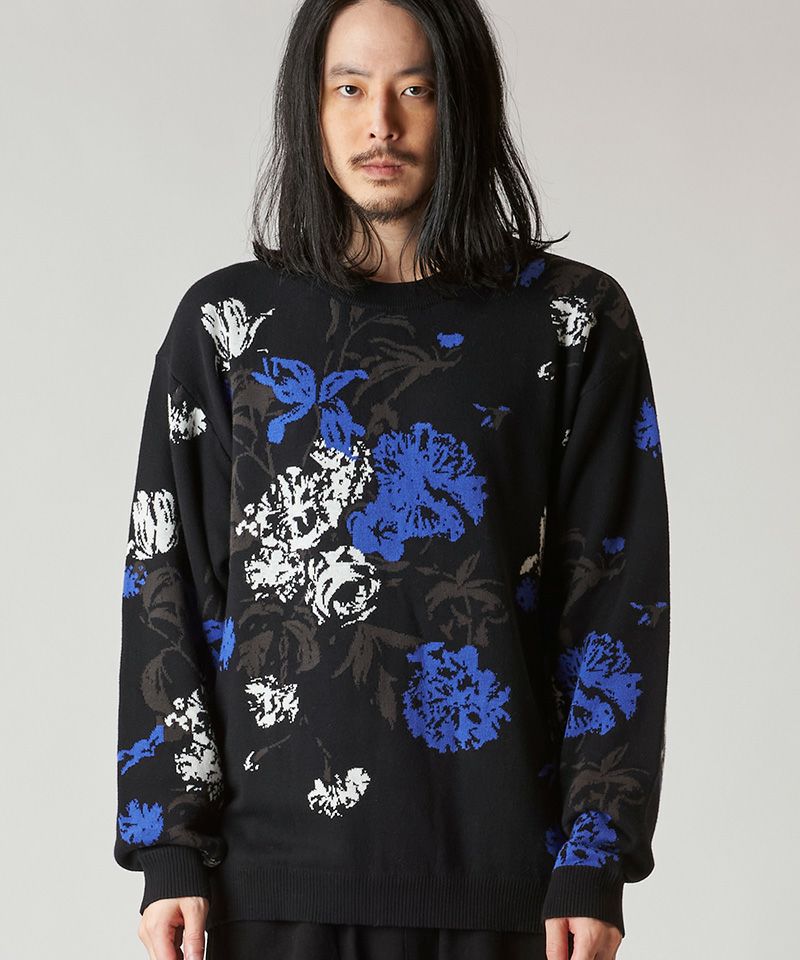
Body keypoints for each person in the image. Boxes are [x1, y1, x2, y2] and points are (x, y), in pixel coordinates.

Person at [114, 1, 671, 958]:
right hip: (268, 887)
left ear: (466, 104)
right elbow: (168, 583)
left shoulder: (573, 322)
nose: (382, 122)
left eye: (417, 88)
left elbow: (615, 602)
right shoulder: (226, 326)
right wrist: (170, 845)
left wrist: (595, 857)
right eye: (350, 88)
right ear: (311, 107)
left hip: (505, 889)